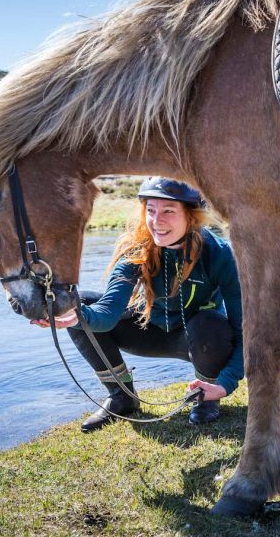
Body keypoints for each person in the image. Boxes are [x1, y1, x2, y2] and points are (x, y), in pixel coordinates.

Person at [32, 177, 244, 432]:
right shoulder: (136, 248)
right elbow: (108, 312)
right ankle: (122, 396)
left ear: (192, 216)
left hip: (200, 338)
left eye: (168, 211)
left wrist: (225, 383)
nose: (157, 221)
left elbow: (246, 330)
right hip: (148, 329)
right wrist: (77, 316)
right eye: (151, 211)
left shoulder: (220, 254)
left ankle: (206, 394)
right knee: (83, 303)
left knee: (211, 325)